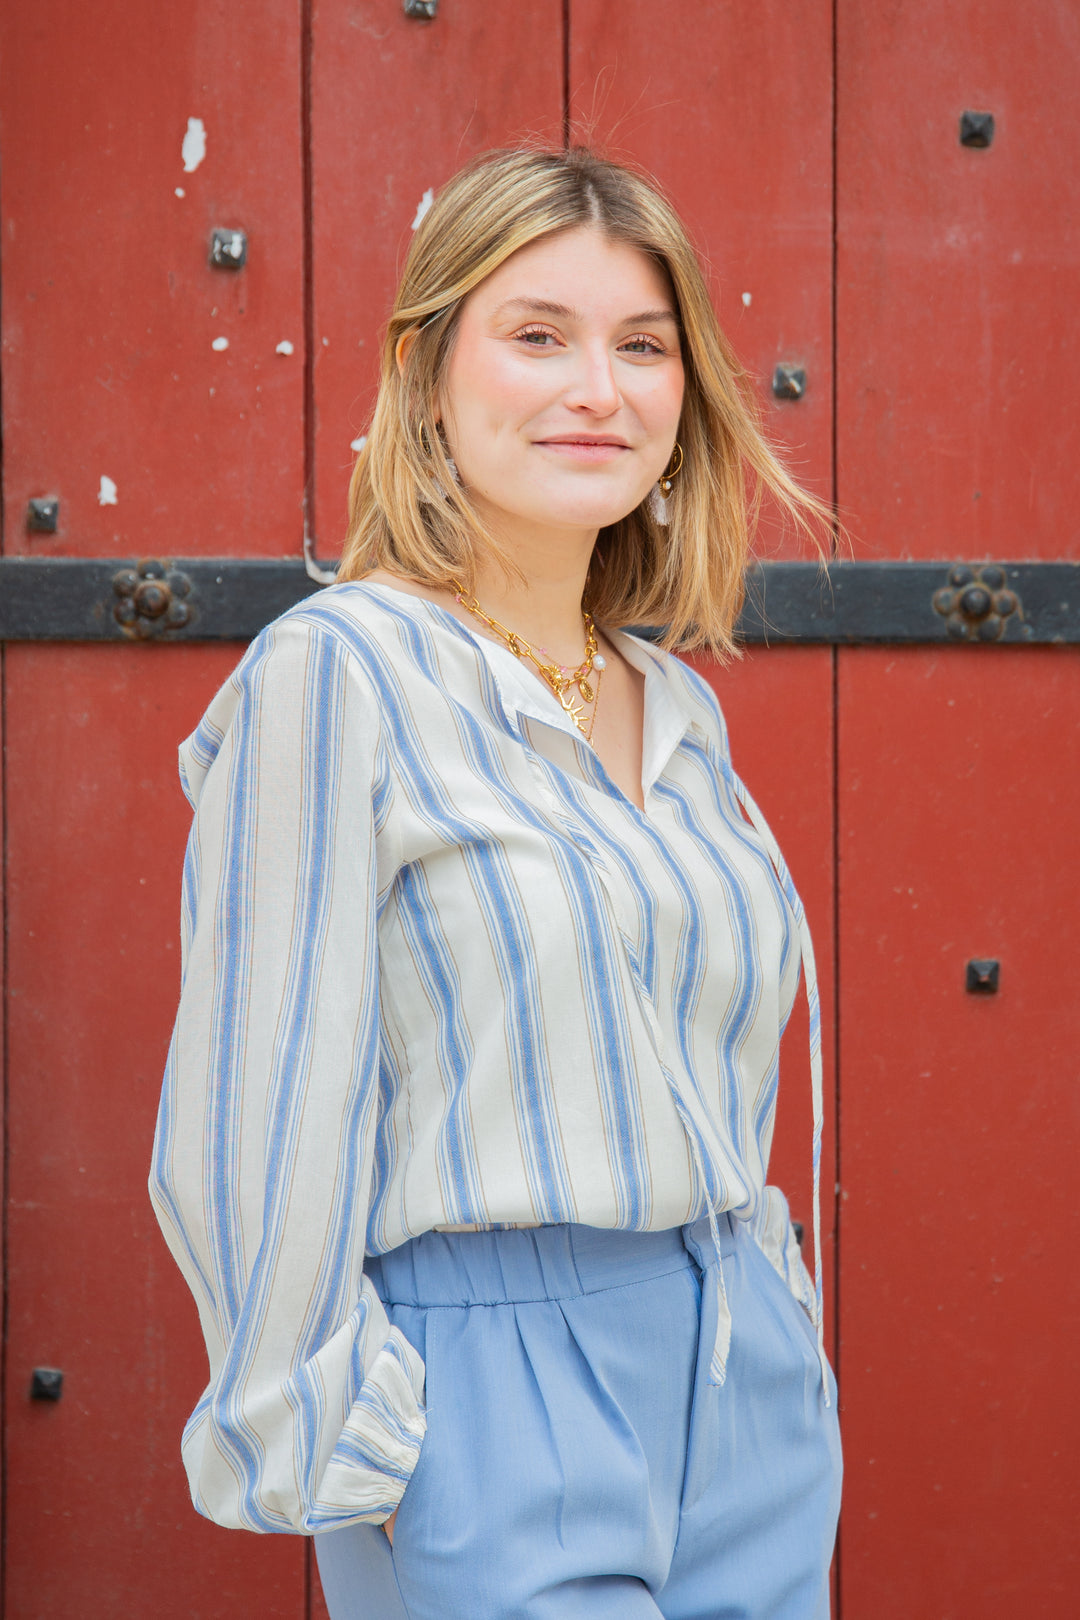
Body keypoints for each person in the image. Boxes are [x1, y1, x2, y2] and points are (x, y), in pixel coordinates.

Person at [150, 145, 842, 1619]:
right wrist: (338, 1432)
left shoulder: (675, 706)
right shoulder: (337, 677)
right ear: (426, 372)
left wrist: (776, 1310)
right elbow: (257, 1107)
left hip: (742, 1381)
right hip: (488, 1381)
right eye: (538, 335)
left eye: (642, 347)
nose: (600, 388)